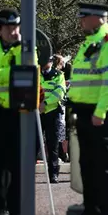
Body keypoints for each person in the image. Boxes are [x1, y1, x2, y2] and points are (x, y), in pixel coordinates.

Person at [67, 3, 108, 215]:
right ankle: (91, 210)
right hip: (83, 110)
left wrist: (100, 111)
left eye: (84, 18)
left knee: (102, 164)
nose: (81, 22)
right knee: (87, 163)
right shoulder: (89, 43)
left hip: (100, 111)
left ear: (97, 18)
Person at [0, 9, 23, 215]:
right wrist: (12, 73)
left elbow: (30, 71)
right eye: (9, 28)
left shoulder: (25, 48)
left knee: (18, 163)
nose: (13, 32)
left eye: (16, 27)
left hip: (18, 112)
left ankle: (17, 210)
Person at [40, 54, 67, 183]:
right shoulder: (36, 73)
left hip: (52, 112)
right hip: (36, 112)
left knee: (53, 145)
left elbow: (59, 92)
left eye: (48, 61)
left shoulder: (59, 75)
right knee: (32, 145)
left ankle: (53, 174)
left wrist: (45, 104)